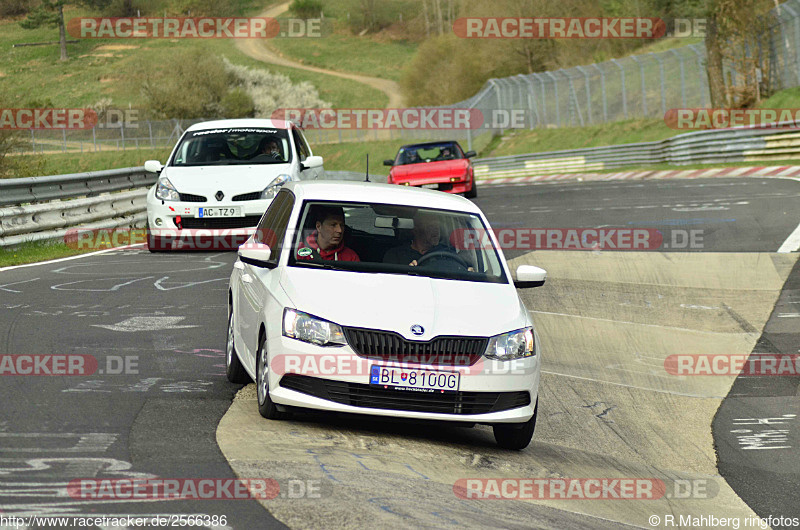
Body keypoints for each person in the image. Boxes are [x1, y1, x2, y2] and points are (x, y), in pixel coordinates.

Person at [383, 211, 450, 266]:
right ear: (416, 230)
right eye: (431, 226)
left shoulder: (446, 254)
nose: (436, 230)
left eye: (437, 226)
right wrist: (408, 272)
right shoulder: (395, 255)